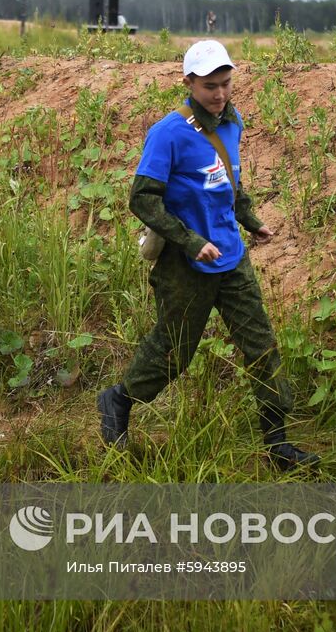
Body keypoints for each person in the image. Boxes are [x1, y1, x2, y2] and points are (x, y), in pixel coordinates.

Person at [96, 40, 318, 469]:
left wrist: (250, 219)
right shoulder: (168, 133)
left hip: (232, 257)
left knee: (261, 348)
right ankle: (118, 401)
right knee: (175, 351)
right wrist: (190, 241)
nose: (219, 94)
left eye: (226, 84)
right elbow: (142, 199)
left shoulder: (231, 122)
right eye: (210, 86)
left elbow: (227, 182)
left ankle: (278, 447)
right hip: (186, 264)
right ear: (189, 82)